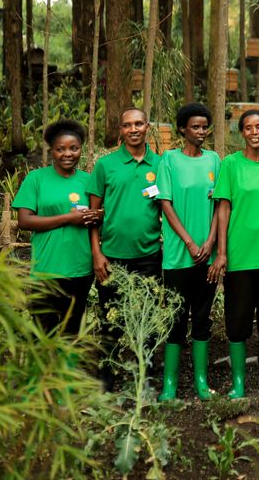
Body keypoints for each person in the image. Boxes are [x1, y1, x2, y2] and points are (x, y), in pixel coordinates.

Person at [210, 109, 259, 398]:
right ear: (241, 133)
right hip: (240, 256)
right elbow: (223, 208)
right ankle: (238, 381)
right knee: (237, 320)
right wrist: (221, 253)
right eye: (248, 128)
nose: (254, 132)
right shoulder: (230, 165)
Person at [88, 107, 163, 390]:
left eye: (139, 124)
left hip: (148, 256)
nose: (134, 129)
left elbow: (166, 207)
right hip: (112, 257)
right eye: (127, 125)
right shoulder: (105, 166)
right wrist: (97, 253)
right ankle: (107, 378)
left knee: (147, 319)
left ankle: (145, 376)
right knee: (111, 319)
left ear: (147, 127)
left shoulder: (159, 165)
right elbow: (93, 215)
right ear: (120, 130)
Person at [155, 103, 222, 402]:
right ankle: (170, 384)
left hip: (207, 256)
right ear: (182, 129)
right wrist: (190, 243)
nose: (201, 131)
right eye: (195, 126)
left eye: (205, 126)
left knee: (203, 317)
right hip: (178, 255)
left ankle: (200, 380)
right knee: (176, 318)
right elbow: (165, 204)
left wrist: (209, 243)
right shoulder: (168, 160)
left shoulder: (214, 160)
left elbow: (221, 204)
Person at [15, 120, 101, 336]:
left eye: (74, 148)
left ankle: (69, 368)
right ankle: (45, 371)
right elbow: (25, 221)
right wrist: (67, 218)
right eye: (60, 149)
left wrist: (99, 215)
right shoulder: (36, 179)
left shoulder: (89, 181)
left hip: (80, 268)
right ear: (51, 150)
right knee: (43, 333)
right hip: (46, 267)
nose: (68, 154)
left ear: (81, 148)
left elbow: (98, 217)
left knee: (72, 331)